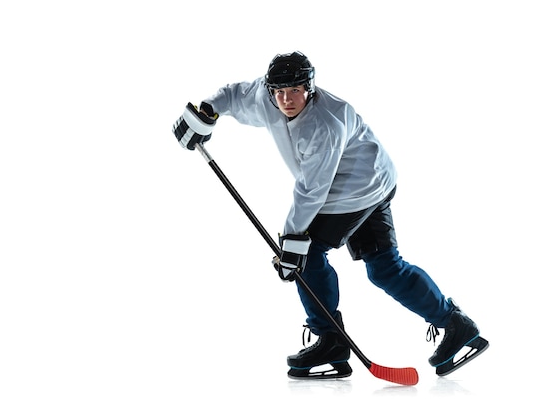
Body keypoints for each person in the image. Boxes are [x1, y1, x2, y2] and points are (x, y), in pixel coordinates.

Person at [172, 51, 488, 379]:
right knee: (384, 269)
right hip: (370, 177)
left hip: (357, 188)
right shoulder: (267, 97)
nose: (286, 98)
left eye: (295, 90)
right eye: (279, 91)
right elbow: (234, 95)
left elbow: (312, 192)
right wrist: (206, 113)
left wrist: (292, 243)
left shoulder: (324, 125)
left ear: (309, 88)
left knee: (305, 255)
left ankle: (330, 340)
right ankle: (456, 325)